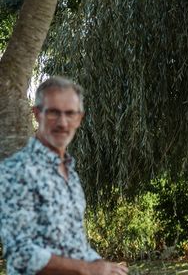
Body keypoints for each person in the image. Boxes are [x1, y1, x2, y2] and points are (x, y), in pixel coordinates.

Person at [0, 76, 128, 275]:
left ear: (79, 118)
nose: (62, 122)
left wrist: (105, 267)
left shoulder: (70, 173)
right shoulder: (16, 170)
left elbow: (76, 246)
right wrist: (88, 268)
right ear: (37, 114)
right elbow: (21, 253)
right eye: (53, 112)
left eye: (70, 114)